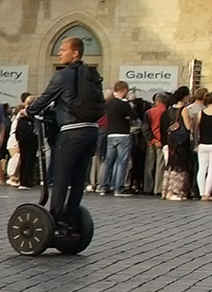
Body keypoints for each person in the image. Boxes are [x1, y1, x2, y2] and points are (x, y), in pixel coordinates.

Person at [23, 37, 101, 228]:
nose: (59, 53)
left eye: (63, 49)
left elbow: (43, 100)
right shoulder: (92, 74)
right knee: (78, 179)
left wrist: (29, 110)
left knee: (62, 177)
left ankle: (55, 219)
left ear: (75, 53)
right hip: (91, 131)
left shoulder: (63, 75)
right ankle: (70, 217)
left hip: (72, 132)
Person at [98, 81, 135, 196]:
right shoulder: (123, 104)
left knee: (109, 161)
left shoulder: (109, 103)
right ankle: (118, 187)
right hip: (122, 134)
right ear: (124, 90)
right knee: (121, 162)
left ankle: (103, 186)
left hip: (110, 134)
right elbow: (134, 116)